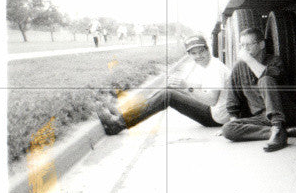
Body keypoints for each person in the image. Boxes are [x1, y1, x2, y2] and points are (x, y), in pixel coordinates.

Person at [96, 35, 231, 134]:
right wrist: (182, 85)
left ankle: (118, 124)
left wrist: (186, 87)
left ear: (207, 50)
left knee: (167, 95)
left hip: (216, 117)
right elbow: (203, 88)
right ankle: (123, 114)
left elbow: (212, 100)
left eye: (201, 51)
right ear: (189, 55)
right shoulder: (209, 65)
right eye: (193, 53)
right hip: (215, 110)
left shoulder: (215, 68)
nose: (198, 56)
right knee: (169, 89)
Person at [222, 26, 296, 152]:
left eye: (249, 44)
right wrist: (234, 122)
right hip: (262, 118)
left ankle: (278, 126)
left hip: (284, 113)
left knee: (265, 79)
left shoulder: (275, 61)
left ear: (261, 44)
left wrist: (248, 59)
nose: (245, 49)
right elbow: (233, 98)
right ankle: (280, 132)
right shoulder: (239, 67)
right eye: (242, 45)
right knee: (227, 129)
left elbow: (265, 75)